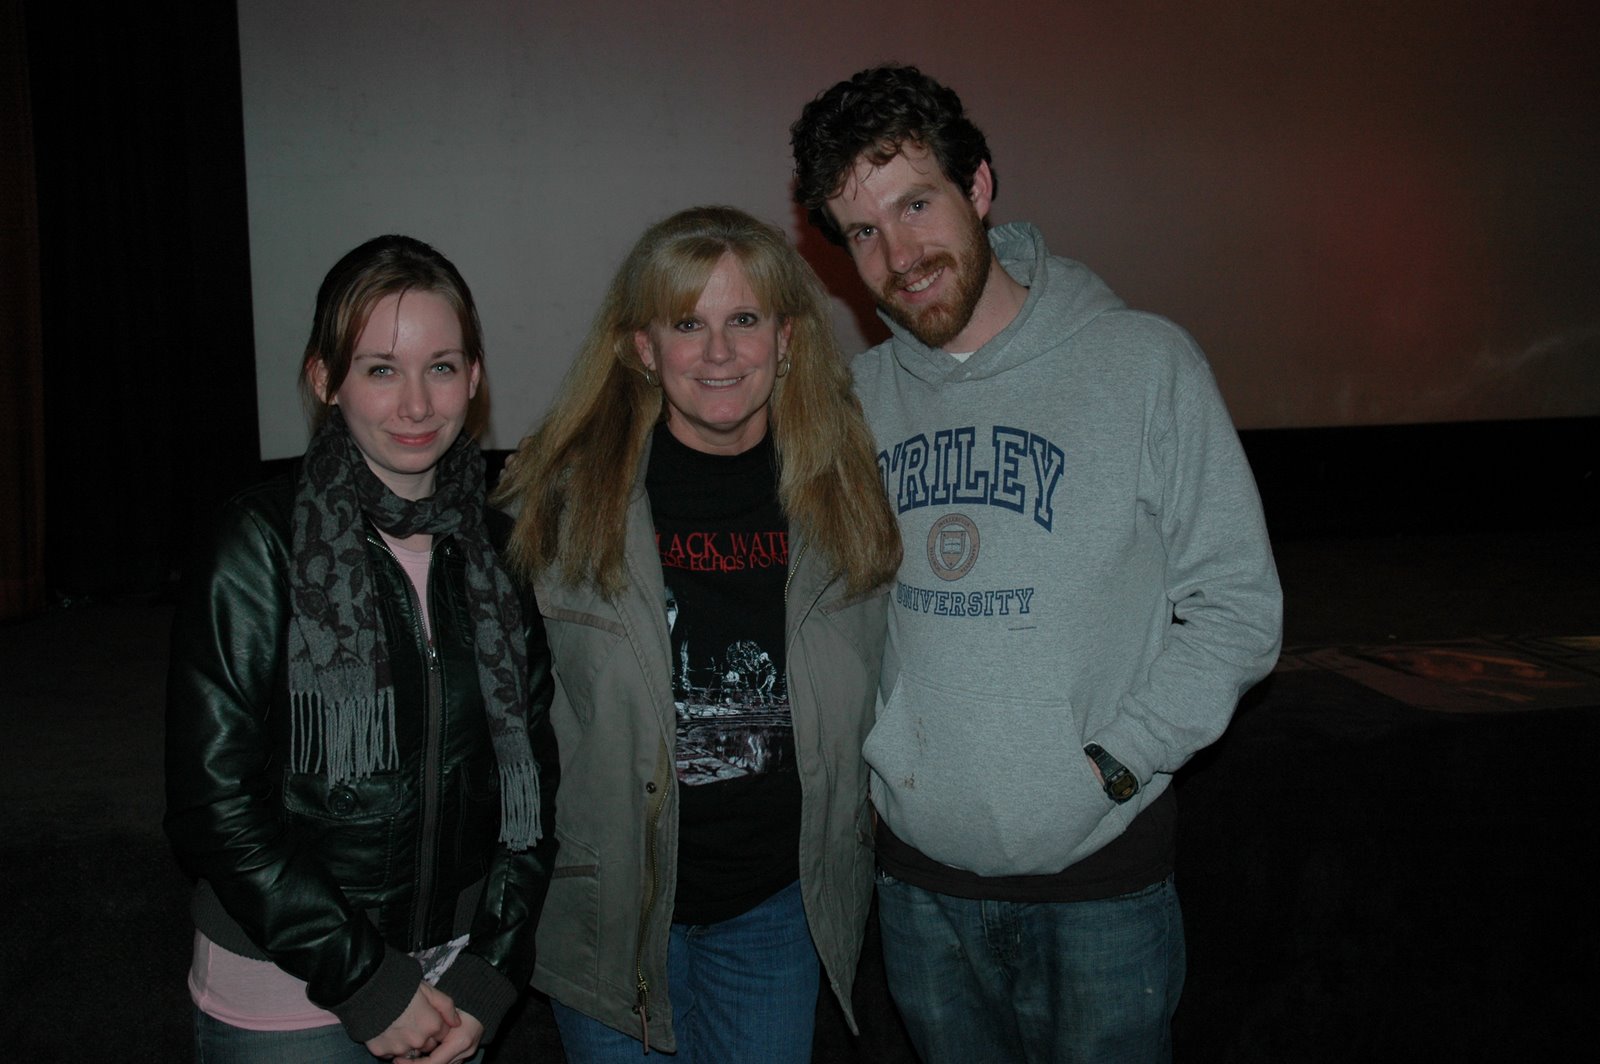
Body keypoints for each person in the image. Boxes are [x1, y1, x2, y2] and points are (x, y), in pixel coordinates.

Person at [790, 65, 1284, 1063]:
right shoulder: (854, 403)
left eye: (916, 205)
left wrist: (1118, 759)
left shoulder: (1142, 365)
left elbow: (1238, 607)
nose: (899, 255)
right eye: (863, 232)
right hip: (918, 888)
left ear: (978, 187)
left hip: (1099, 885)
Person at [495, 205, 901, 1061]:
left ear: (786, 339)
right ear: (643, 347)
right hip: (609, 913)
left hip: (775, 911)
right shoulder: (558, 502)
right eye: (687, 323)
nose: (719, 353)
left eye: (744, 319)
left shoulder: (850, 494)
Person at [165, 235, 560, 1063]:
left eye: (441, 367)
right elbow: (213, 805)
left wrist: (493, 968)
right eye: (381, 369)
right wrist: (367, 981)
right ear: (325, 379)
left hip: (454, 981)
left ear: (475, 377)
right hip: (288, 984)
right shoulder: (259, 542)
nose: (416, 404)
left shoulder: (500, 553)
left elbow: (530, 791)